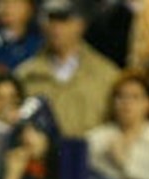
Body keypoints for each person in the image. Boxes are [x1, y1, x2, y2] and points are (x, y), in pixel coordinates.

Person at [14, 0, 121, 137]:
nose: (55, 27)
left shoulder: (107, 75)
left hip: (91, 153)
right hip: (44, 156)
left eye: (64, 20)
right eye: (50, 20)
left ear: (81, 24)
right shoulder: (25, 75)